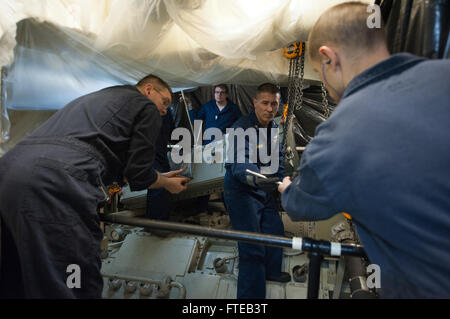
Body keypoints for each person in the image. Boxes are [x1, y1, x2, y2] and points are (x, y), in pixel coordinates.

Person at [278, 2, 450, 298]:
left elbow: (301, 204)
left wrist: (287, 189)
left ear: (329, 57)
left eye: (320, 73)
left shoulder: (339, 132)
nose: (325, 84)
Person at [0, 75, 190, 298]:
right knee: (74, 277)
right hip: (54, 182)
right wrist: (166, 183)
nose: (165, 110)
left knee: (17, 274)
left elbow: (113, 166)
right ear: (148, 90)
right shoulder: (144, 106)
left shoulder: (99, 99)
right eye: (165, 102)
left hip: (10, 173)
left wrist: (154, 176)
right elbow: (138, 176)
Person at [224, 83, 290, 299]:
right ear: (255, 103)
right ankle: (250, 300)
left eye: (274, 104)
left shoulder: (273, 129)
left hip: (264, 189)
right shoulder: (239, 128)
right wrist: (267, 182)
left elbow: (277, 161)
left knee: (275, 229)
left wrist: (284, 181)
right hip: (242, 192)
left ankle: (270, 273)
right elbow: (240, 166)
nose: (270, 109)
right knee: (252, 247)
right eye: (265, 103)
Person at [146, 108, 176, 221]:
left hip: (161, 153)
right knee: (158, 186)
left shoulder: (166, 112)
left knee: (165, 186)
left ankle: (162, 220)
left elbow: (172, 133)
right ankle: (155, 222)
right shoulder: (144, 109)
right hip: (150, 154)